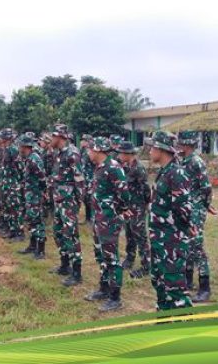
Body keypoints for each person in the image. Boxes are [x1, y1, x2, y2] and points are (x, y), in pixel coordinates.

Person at [84, 137, 134, 311]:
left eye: (90, 149)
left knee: (112, 259)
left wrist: (119, 211)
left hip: (109, 220)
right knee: (101, 256)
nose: (88, 152)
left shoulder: (113, 167)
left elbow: (124, 194)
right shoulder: (99, 167)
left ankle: (115, 297)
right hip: (99, 219)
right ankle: (103, 288)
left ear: (97, 150)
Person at [146, 130, 194, 310]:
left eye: (152, 148)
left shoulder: (176, 173)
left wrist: (183, 229)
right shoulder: (165, 172)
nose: (150, 152)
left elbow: (183, 209)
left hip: (171, 241)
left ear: (160, 149)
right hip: (159, 239)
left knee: (175, 289)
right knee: (159, 282)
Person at [178, 130, 217, 302]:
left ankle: (204, 287)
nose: (178, 145)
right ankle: (187, 281)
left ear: (186, 144)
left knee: (197, 247)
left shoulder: (196, 162)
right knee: (185, 245)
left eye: (180, 142)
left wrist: (205, 206)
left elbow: (206, 187)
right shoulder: (183, 161)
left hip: (196, 210)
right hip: (186, 209)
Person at [48, 124, 85, 287]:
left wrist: (77, 203)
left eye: (53, 136)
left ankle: (77, 273)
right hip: (59, 200)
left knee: (71, 235)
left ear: (61, 137)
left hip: (69, 201)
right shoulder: (59, 153)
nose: (51, 139)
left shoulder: (72, 154)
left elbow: (80, 181)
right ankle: (64, 265)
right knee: (57, 232)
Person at [116, 141, 151, 279]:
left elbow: (146, 189)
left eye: (121, 153)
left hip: (138, 207)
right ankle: (129, 259)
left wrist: (147, 205)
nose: (119, 155)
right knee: (129, 234)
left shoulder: (138, 168)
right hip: (128, 207)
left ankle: (146, 266)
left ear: (128, 154)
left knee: (140, 236)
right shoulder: (126, 167)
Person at [17, 133, 47, 259]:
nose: (19, 148)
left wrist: (40, 193)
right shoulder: (29, 158)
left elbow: (42, 179)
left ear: (26, 146)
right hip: (29, 194)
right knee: (31, 220)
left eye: (21, 146)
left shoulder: (35, 159)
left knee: (37, 221)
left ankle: (40, 250)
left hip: (35, 195)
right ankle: (32, 245)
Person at [80, 134, 95, 224]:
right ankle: (88, 218)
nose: (82, 142)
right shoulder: (82, 151)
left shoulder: (91, 151)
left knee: (91, 199)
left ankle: (93, 218)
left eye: (84, 140)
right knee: (85, 199)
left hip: (91, 178)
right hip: (84, 178)